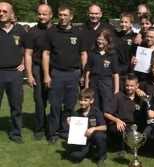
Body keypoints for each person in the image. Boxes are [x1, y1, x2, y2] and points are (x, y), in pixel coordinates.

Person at [42, 5, 88, 144]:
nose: (62, 18)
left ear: (71, 17)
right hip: (56, 74)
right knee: (55, 105)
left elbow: (83, 54)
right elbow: (46, 53)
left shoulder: (79, 32)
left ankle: (65, 131)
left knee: (69, 106)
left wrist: (82, 73)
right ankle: (53, 133)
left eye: (65, 15)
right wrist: (46, 75)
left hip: (74, 74)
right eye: (60, 15)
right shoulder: (51, 32)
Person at [24, 3, 53, 140]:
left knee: (55, 100)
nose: (41, 16)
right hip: (37, 69)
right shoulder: (32, 32)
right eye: (39, 14)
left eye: (44, 14)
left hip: (55, 69)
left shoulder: (57, 30)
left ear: (51, 15)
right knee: (40, 101)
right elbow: (28, 54)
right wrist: (29, 75)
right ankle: (39, 128)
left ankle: (54, 128)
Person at [0, 2, 26, 144]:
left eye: (5, 11)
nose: (1, 13)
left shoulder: (20, 30)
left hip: (15, 74)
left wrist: (23, 63)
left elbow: (27, 49)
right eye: (0, 11)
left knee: (16, 105)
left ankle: (16, 133)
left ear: (11, 14)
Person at [104, 73, 147, 156]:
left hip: (134, 125)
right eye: (127, 85)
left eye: (132, 86)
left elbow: (148, 112)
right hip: (121, 124)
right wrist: (117, 120)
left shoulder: (141, 98)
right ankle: (121, 149)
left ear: (137, 85)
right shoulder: (118, 96)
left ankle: (133, 147)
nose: (129, 88)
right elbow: (106, 113)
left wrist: (144, 98)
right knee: (121, 129)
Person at [67, 88, 107, 167]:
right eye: (81, 100)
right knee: (75, 156)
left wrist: (93, 129)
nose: (82, 102)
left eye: (85, 100)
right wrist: (70, 124)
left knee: (100, 136)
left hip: (95, 137)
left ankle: (101, 157)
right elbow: (74, 133)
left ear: (91, 101)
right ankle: (89, 151)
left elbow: (104, 127)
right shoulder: (76, 113)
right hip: (84, 140)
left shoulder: (96, 111)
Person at [85, 29, 120, 112]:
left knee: (106, 106)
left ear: (108, 41)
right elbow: (87, 71)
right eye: (99, 39)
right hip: (94, 82)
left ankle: (106, 124)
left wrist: (116, 90)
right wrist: (86, 87)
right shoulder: (92, 53)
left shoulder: (112, 54)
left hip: (106, 83)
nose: (100, 42)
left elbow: (116, 74)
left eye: (103, 40)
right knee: (94, 106)